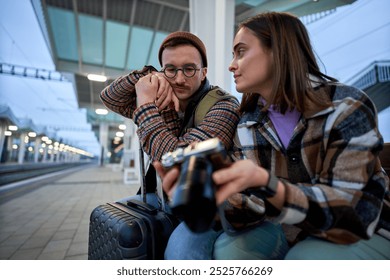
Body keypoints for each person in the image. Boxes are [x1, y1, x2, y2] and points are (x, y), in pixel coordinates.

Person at [156, 12, 390, 259]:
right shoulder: (246, 123)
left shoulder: (345, 107)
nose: (231, 65)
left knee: (304, 258)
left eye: (241, 52)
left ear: (278, 51)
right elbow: (253, 209)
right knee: (231, 252)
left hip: (364, 230)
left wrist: (268, 185)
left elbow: (352, 212)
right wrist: (213, 197)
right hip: (287, 228)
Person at [100, 31, 239, 205]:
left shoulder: (224, 106)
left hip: (201, 206)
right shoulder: (161, 96)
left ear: (203, 73)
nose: (179, 79)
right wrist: (149, 77)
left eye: (189, 69)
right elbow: (110, 98)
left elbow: (179, 163)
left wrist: (145, 106)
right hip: (159, 197)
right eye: (171, 69)